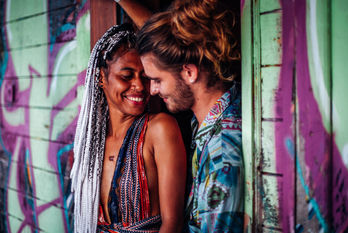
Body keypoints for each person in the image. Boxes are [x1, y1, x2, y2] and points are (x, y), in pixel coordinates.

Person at [114, 0, 244, 232]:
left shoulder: (221, 153)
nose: (151, 90)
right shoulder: (208, 119)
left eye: (157, 80)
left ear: (189, 72)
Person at [70, 24, 187, 233]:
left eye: (145, 77)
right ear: (101, 78)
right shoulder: (90, 144)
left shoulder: (159, 129)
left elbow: (173, 225)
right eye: (126, 76)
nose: (140, 87)